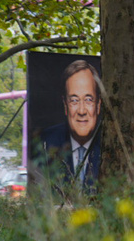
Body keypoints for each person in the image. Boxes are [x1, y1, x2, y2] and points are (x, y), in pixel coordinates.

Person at [36, 60, 103, 194]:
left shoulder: (111, 143)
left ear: (98, 105)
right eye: (74, 100)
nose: (82, 111)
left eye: (88, 99)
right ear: (65, 106)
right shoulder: (44, 143)